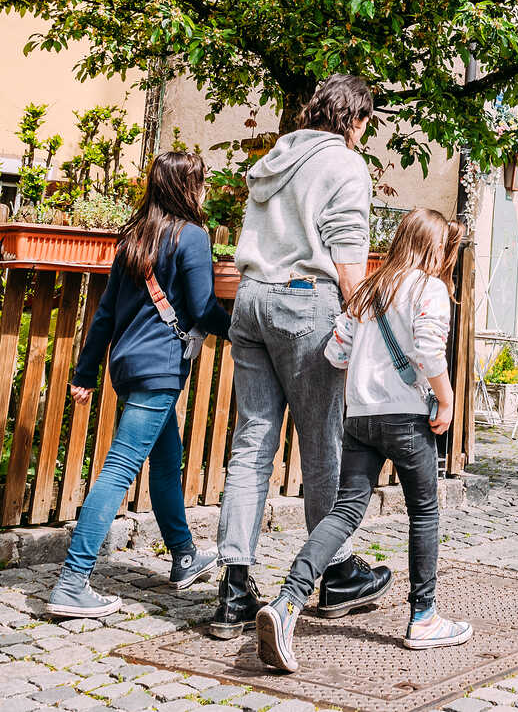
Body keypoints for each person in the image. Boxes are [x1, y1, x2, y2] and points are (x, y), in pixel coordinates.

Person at [209, 75, 391, 638]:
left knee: (252, 444)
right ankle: (334, 573)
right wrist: (363, 325)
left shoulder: (274, 158)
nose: (363, 133)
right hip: (304, 303)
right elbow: (348, 257)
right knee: (322, 442)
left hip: (251, 300)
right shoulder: (343, 164)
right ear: (354, 119)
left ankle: (234, 588)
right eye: (364, 123)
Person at [255, 209, 469, 671]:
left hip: (361, 419)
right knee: (425, 512)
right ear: (436, 249)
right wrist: (447, 401)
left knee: (345, 512)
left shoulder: (370, 290)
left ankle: (288, 600)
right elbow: (429, 349)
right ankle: (424, 617)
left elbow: (335, 352)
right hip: (408, 420)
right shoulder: (429, 288)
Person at [50, 151, 231, 618]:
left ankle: (184, 554)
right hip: (158, 369)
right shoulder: (191, 237)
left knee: (167, 461)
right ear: (186, 187)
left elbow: (106, 312)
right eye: (202, 181)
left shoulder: (135, 238)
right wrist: (245, 332)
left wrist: (85, 372)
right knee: (118, 471)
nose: (206, 189)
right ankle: (73, 580)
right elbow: (202, 307)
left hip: (128, 364)